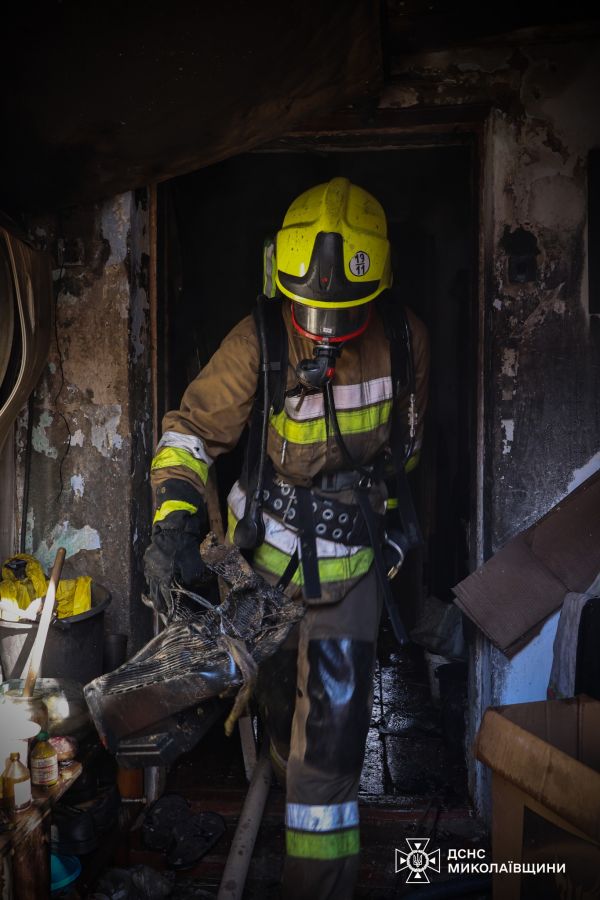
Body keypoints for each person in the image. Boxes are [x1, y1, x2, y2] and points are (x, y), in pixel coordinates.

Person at [143, 177, 429, 899]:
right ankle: (276, 765)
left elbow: (410, 455)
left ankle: (317, 884)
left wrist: (388, 529)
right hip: (258, 578)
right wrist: (174, 518)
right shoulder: (261, 337)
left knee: (328, 755)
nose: (324, 330)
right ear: (280, 278)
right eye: (311, 311)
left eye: (343, 314)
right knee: (276, 724)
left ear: (379, 290)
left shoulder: (405, 338)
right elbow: (188, 433)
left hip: (349, 575)